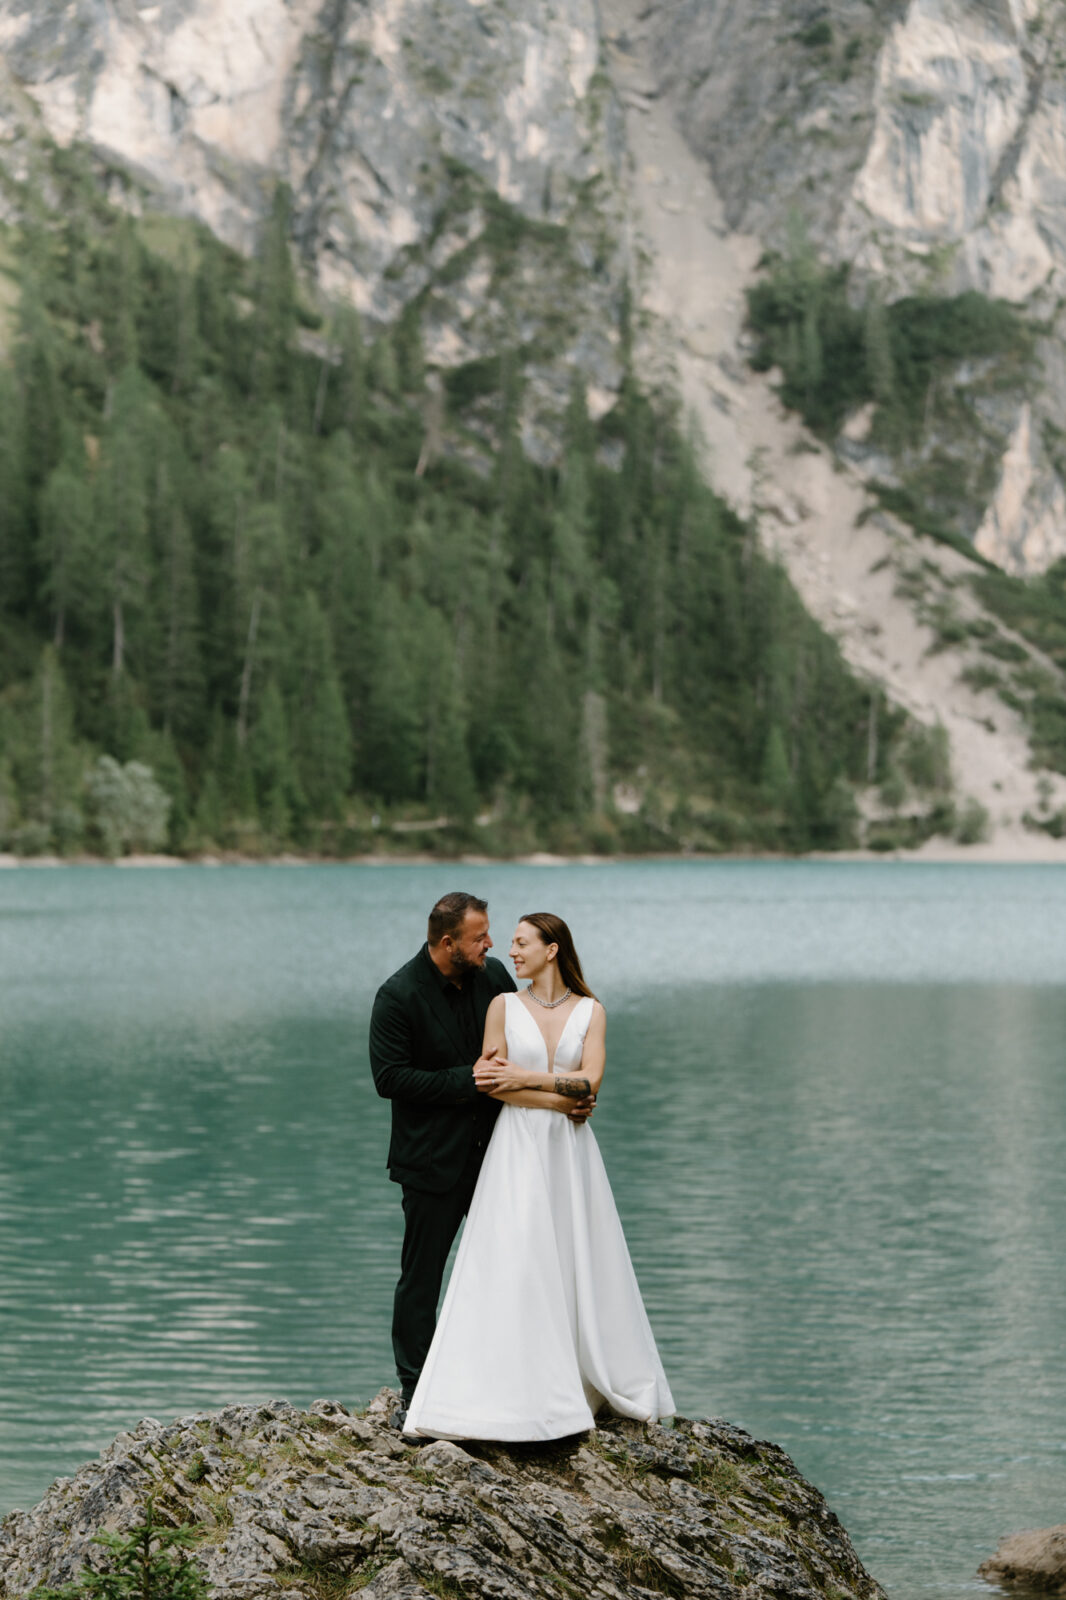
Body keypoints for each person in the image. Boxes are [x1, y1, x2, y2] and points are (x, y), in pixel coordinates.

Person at [403, 911, 673, 1442]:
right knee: (517, 1255)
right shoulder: (502, 1005)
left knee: (577, 1253)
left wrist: (532, 1078)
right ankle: (510, 1385)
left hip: (571, 1152)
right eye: (509, 943)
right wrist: (558, 1095)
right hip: (518, 1146)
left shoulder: (592, 1012)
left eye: (522, 942)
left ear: (552, 950)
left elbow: (590, 1081)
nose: (511, 950)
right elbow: (493, 1085)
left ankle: (582, 1376)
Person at [368, 892, 595, 1429]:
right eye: (480, 937)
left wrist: (567, 1095)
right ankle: (417, 1391)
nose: (491, 945)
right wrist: (466, 1079)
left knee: (514, 1268)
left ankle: (511, 1381)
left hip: (501, 1154)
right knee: (421, 1278)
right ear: (449, 943)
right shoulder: (397, 996)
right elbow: (389, 1079)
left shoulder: (492, 978)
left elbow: (524, 1044)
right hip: (432, 1162)